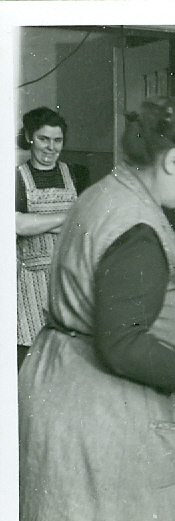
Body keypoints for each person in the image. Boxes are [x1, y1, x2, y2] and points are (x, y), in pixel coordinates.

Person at [18, 97, 175, 521]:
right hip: (103, 416)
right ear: (171, 160)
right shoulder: (136, 228)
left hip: (63, 391)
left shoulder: (104, 192)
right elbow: (123, 343)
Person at [16, 107, 82, 370]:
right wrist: (68, 217)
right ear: (30, 137)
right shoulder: (16, 177)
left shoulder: (76, 173)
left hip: (69, 280)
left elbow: (86, 222)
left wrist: (38, 222)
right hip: (29, 285)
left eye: (58, 140)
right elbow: (16, 224)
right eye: (44, 139)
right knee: (32, 364)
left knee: (67, 361)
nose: (51, 148)